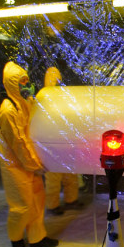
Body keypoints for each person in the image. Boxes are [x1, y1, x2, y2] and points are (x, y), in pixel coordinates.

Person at [0, 61, 59, 247]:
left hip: (29, 160)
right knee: (21, 204)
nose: (26, 85)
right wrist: (34, 164)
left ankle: (36, 238)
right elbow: (19, 143)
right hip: (14, 164)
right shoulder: (8, 110)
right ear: (12, 84)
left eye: (26, 81)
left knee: (37, 200)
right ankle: (15, 238)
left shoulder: (25, 103)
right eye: (22, 82)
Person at [43, 66, 84, 215]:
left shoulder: (63, 99)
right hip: (52, 146)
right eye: (55, 80)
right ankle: (52, 206)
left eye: (59, 80)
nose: (58, 83)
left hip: (66, 145)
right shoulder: (44, 100)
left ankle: (71, 200)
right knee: (53, 179)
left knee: (70, 175)